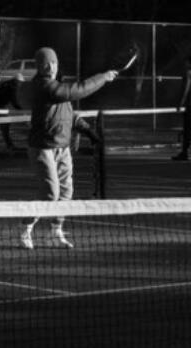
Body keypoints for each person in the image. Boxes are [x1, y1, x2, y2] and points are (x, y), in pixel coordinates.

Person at [21, 47, 118, 249]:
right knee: (50, 193)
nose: (51, 67)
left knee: (66, 192)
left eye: (54, 63)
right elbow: (76, 91)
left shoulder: (58, 89)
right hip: (42, 148)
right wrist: (103, 78)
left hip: (62, 148)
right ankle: (26, 228)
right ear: (39, 67)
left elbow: (70, 115)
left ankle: (55, 232)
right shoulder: (43, 86)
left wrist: (89, 131)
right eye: (46, 64)